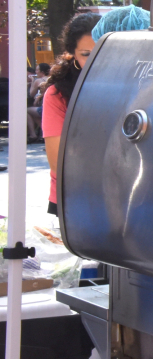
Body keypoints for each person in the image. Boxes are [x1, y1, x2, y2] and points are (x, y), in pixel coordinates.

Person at [41, 13, 101, 215]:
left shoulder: (131, 82)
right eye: (86, 54)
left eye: (102, 51)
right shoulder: (58, 94)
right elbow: (57, 161)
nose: (95, 60)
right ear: (73, 54)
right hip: (74, 196)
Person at [26, 63, 50, 143]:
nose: (36, 72)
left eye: (37, 70)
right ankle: (43, 132)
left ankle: (33, 134)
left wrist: (33, 81)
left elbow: (31, 94)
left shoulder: (38, 81)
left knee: (26, 111)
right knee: (34, 113)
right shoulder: (51, 79)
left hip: (44, 107)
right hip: (51, 107)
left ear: (42, 72)